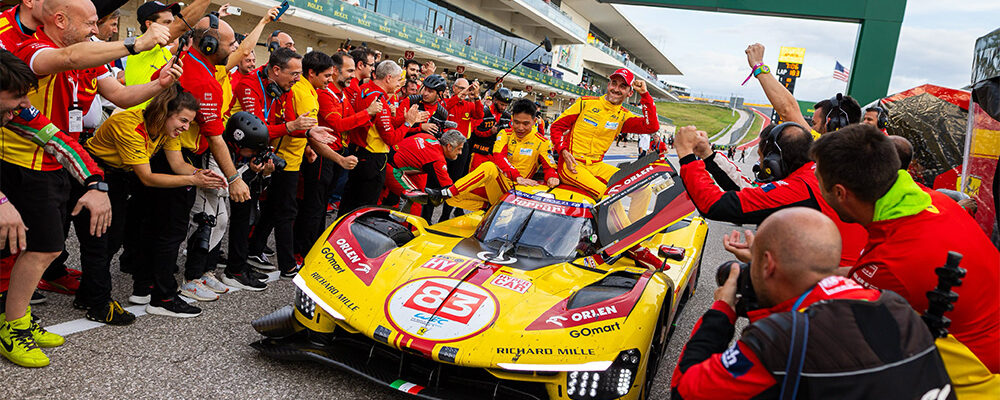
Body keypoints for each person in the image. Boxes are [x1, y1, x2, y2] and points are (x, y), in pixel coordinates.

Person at [671, 208, 953, 399]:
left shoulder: (778, 341)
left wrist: (721, 312)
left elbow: (684, 390)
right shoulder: (894, 306)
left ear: (768, 264)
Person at [810, 124, 1000, 397]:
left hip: (970, 382)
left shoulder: (889, 266)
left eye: (819, 181)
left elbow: (829, 322)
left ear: (840, 193)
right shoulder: (933, 201)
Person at [0, 49, 111, 368]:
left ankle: (13, 321)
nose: (24, 104)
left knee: (17, 246)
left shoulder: (17, 110)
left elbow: (59, 141)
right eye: (17, 96)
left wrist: (95, 183)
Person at [83, 85, 226, 322]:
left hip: (121, 174)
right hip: (96, 173)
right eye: (182, 120)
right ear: (164, 111)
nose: (185, 127)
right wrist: (193, 179)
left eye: (189, 122)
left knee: (116, 237)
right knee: (102, 239)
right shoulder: (129, 125)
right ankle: (96, 301)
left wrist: (202, 174)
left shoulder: (165, 128)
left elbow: (179, 165)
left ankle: (90, 294)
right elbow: (147, 178)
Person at [675, 122, 867, 267]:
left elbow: (714, 205)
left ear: (775, 161)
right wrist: (707, 155)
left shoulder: (799, 188)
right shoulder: (817, 173)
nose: (761, 164)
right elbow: (750, 193)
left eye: (762, 158)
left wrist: (686, 156)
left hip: (830, 293)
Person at [417, 100, 559, 211]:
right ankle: (490, 209)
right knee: (454, 199)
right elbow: (498, 156)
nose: (520, 127)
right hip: (498, 186)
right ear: (512, 119)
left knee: (489, 167)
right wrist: (517, 176)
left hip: (518, 191)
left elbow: (549, 167)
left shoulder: (542, 142)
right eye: (516, 122)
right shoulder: (505, 134)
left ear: (534, 122)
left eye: (525, 123)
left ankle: (445, 192)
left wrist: (552, 176)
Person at [292, 51, 361, 261]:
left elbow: (349, 121)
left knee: (321, 205)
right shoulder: (322, 92)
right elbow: (339, 124)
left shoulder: (336, 93)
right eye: (349, 71)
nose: (352, 76)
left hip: (331, 152)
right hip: (319, 154)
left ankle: (312, 246)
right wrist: (369, 113)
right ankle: (302, 251)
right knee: (314, 204)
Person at [550, 68, 659, 199]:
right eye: (614, 83)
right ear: (608, 85)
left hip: (597, 166)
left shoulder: (624, 116)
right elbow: (556, 127)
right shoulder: (585, 103)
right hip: (572, 164)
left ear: (630, 93)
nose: (616, 89)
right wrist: (563, 151)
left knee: (642, 190)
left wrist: (644, 94)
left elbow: (652, 127)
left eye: (623, 86)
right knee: (607, 195)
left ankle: (633, 221)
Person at [341, 61, 427, 214]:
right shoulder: (378, 99)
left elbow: (380, 123)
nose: (399, 85)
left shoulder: (364, 89)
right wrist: (408, 123)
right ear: (388, 78)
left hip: (357, 152)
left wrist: (404, 118)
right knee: (363, 210)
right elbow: (391, 139)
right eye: (397, 80)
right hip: (371, 159)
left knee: (349, 203)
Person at [743, 43, 859, 139]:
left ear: (832, 123)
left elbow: (787, 109)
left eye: (814, 124)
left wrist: (758, 65)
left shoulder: (831, 151)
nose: (812, 129)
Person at [386, 130, 465, 218]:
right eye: (459, 149)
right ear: (449, 146)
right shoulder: (438, 160)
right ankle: (410, 230)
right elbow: (450, 188)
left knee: (421, 189)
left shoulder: (428, 137)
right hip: (392, 169)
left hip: (389, 159)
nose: (460, 153)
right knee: (416, 200)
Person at [444, 78, 484, 190]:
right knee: (441, 176)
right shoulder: (446, 101)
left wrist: (476, 97)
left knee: (456, 178)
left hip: (462, 146)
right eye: (461, 88)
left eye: (467, 88)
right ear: (454, 88)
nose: (464, 91)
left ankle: (450, 205)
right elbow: (443, 108)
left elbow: (479, 115)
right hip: (446, 144)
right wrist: (458, 97)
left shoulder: (469, 105)